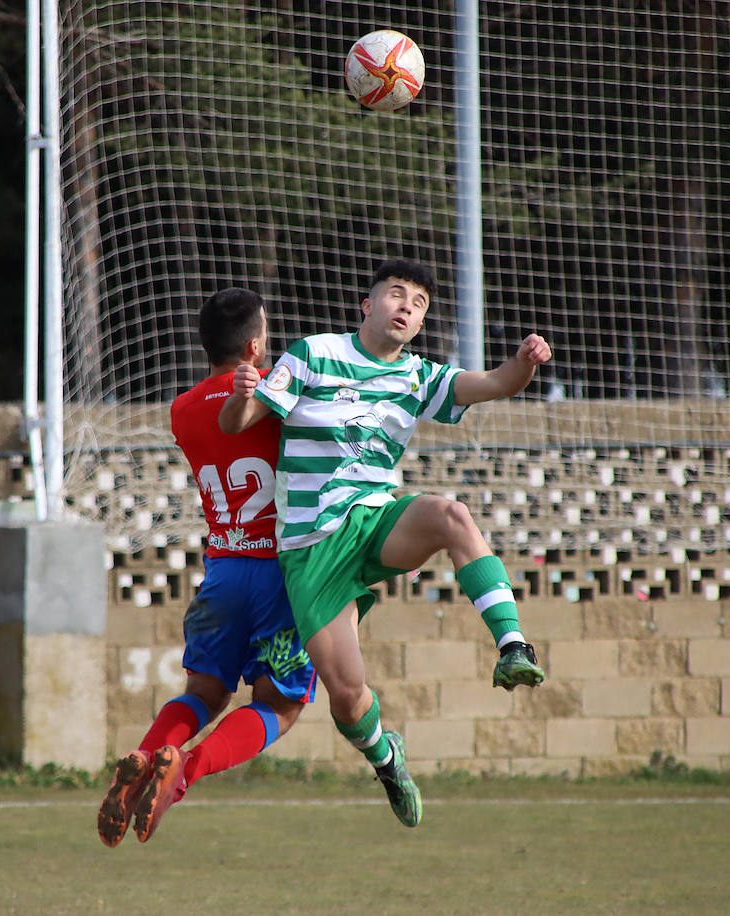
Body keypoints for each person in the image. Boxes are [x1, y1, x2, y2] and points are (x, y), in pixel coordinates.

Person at [219, 258, 550, 828]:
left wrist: (523, 363)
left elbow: (496, 384)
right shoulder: (313, 354)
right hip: (309, 547)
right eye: (397, 295)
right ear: (367, 305)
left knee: (451, 514)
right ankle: (385, 757)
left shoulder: (419, 376)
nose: (407, 307)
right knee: (347, 696)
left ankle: (514, 647)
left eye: (418, 304)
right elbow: (238, 421)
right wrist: (242, 393)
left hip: (374, 521)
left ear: (420, 324)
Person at [97, 287, 315, 847]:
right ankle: (181, 772)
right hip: (279, 575)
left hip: (222, 571)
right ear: (255, 345)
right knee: (279, 706)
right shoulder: (275, 397)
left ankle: (147, 757)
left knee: (205, 692)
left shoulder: (182, 410)